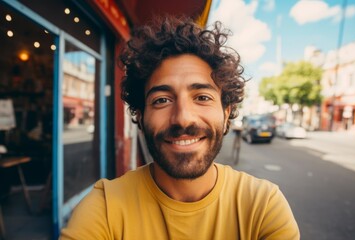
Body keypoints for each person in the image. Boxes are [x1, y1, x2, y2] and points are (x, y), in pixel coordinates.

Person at [60, 16, 300, 240]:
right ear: (141, 118)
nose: (183, 119)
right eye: (162, 100)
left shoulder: (262, 206)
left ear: (226, 114)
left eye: (202, 97)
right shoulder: (105, 208)